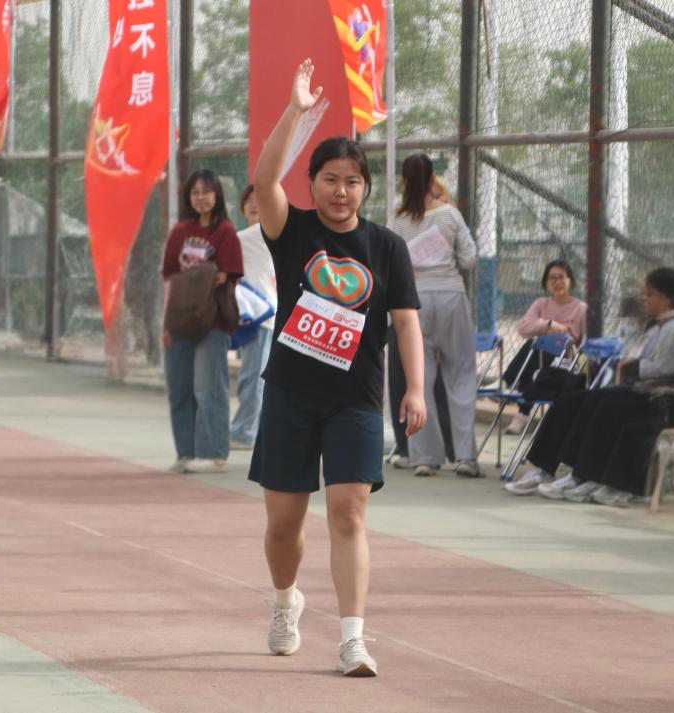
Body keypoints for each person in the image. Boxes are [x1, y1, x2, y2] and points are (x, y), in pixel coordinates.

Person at [250, 59, 425, 677]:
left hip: (356, 400)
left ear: (366, 188)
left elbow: (406, 322)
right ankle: (284, 602)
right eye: (329, 179)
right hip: (290, 396)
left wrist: (415, 389)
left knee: (348, 511)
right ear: (312, 183)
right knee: (284, 523)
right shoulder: (291, 231)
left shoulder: (387, 248)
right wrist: (295, 112)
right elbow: (264, 178)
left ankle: (353, 639)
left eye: (352, 181)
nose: (341, 191)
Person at [506, 268, 674, 506]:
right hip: (643, 390)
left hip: (662, 399)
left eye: (650, 294)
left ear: (668, 297)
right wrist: (629, 364)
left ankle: (582, 474)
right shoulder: (656, 326)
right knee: (571, 400)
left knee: (603, 405)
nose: (644, 299)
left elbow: (664, 368)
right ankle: (544, 468)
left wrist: (631, 366)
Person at [388, 153, 480, 478]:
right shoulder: (449, 214)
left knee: (419, 381)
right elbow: (469, 259)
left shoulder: (397, 220)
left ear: (403, 181)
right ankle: (465, 457)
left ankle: (424, 457)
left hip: (414, 303)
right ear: (432, 179)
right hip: (451, 296)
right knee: (461, 375)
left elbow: (389, 264)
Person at [161, 169, 243, 474]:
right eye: (195, 192)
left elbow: (226, 275)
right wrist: (166, 323)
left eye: (206, 191)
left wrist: (202, 276)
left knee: (209, 387)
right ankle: (186, 452)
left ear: (217, 194)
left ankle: (214, 453)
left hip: (212, 321)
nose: (201, 198)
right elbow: (170, 277)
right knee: (179, 387)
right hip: (179, 319)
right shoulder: (180, 231)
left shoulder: (226, 231)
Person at [500, 260, 587, 436]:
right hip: (540, 359)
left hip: (567, 361)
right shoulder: (540, 304)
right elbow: (523, 328)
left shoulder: (581, 308)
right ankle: (522, 413)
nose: (557, 282)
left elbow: (586, 341)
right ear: (546, 283)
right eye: (552, 278)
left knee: (534, 350)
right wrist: (549, 324)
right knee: (534, 349)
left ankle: (510, 389)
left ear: (570, 280)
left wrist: (562, 335)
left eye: (561, 277)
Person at [229, 185, 276, 450]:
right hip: (253, 315)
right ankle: (252, 430)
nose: (254, 204)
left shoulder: (248, 237)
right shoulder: (254, 237)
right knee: (256, 375)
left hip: (262, 316)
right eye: (249, 200)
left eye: (260, 200)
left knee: (253, 375)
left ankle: (244, 432)